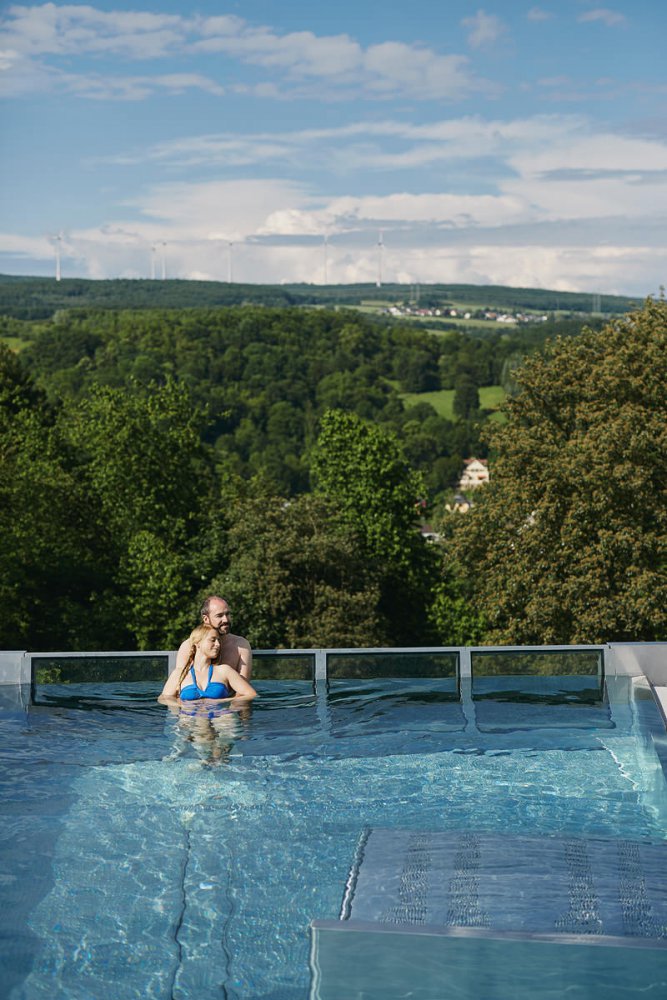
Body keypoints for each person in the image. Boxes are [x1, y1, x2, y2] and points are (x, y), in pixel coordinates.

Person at [159, 624, 257, 703]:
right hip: (190, 719)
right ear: (198, 643)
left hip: (221, 717)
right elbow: (163, 698)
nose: (218, 644)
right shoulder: (179, 674)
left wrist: (224, 701)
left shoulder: (224, 671)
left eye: (218, 640)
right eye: (213, 640)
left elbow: (251, 694)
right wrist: (181, 705)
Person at [174, 595, 253, 680]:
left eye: (227, 614)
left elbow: (244, 688)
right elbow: (179, 684)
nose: (226, 619)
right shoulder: (189, 646)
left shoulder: (241, 645)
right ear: (206, 619)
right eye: (219, 616)